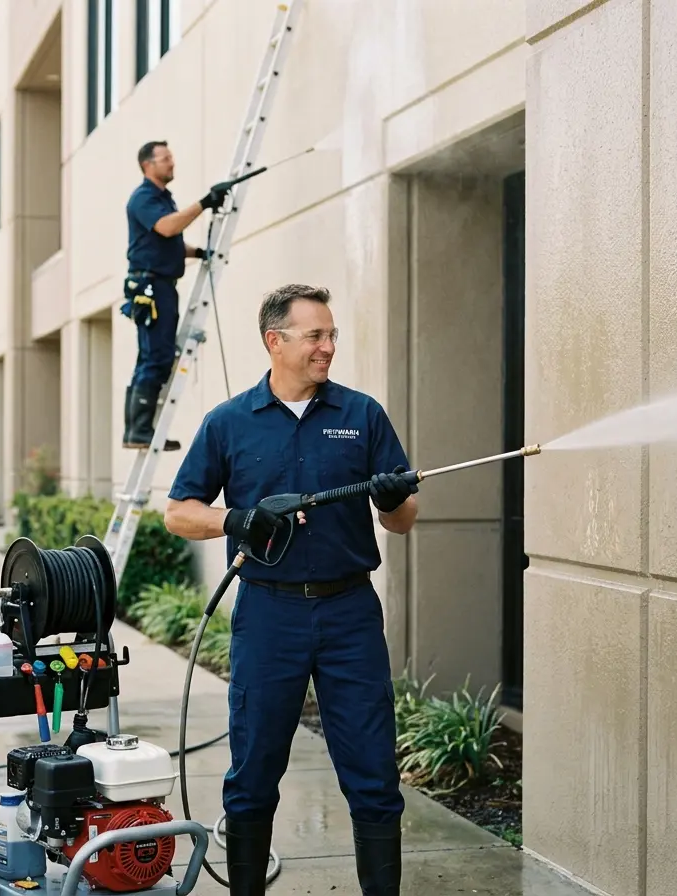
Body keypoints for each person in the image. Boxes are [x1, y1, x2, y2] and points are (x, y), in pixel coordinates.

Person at [163, 284, 419, 895]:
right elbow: (178, 512)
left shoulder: (362, 415)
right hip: (269, 614)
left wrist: (393, 499)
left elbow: (403, 517)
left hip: (350, 611)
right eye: (316, 336)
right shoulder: (228, 423)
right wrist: (238, 519)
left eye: (332, 335)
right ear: (274, 342)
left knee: (375, 776)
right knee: (253, 773)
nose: (329, 347)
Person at [122, 139, 233, 450]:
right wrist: (205, 203)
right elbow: (167, 229)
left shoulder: (162, 198)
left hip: (159, 284)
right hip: (152, 287)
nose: (172, 162)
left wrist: (198, 252)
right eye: (165, 158)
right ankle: (140, 430)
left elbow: (167, 242)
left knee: (153, 355)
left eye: (171, 157)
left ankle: (138, 430)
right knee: (155, 356)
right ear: (148, 165)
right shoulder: (144, 198)